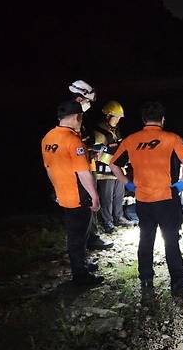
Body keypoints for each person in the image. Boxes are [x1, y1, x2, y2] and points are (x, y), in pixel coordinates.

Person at [109, 101, 183, 296]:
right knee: (171, 240)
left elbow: (114, 164)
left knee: (145, 239)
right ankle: (178, 284)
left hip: (143, 200)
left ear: (143, 120)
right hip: (166, 198)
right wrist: (181, 184)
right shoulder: (172, 138)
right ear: (162, 120)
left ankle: (146, 282)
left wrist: (127, 183)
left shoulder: (131, 139)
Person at [41, 101, 104, 286]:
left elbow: (48, 168)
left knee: (74, 234)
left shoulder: (48, 138)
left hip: (63, 194)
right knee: (79, 236)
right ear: (77, 117)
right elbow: (83, 172)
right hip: (78, 195)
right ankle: (80, 276)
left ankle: (81, 264)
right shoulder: (73, 140)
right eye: (81, 118)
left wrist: (56, 190)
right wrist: (94, 195)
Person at [67, 79, 113, 251]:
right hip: (80, 168)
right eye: (88, 101)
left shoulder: (80, 117)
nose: (89, 105)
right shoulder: (71, 118)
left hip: (87, 163)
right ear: (80, 99)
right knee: (87, 203)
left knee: (89, 204)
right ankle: (87, 242)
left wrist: (92, 149)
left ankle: (91, 237)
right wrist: (89, 149)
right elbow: (74, 146)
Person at [94, 100, 134, 233]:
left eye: (119, 118)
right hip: (105, 168)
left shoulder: (116, 130)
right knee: (107, 196)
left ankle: (119, 217)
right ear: (108, 116)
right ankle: (107, 221)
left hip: (119, 167)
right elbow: (97, 150)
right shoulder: (99, 130)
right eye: (115, 117)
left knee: (119, 194)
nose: (117, 120)